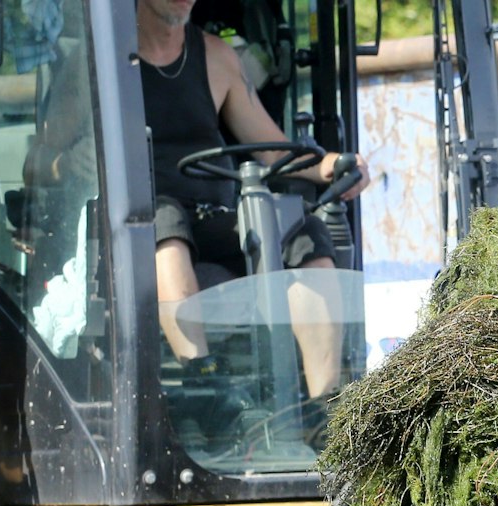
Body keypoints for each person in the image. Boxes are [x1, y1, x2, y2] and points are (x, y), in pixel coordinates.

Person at [136, 0, 369, 399]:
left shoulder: (214, 56)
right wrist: (71, 159)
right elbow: (47, 164)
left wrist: (331, 164)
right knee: (165, 219)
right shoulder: (103, 61)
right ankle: (204, 381)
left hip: (213, 218)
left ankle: (326, 408)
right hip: (136, 225)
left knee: (303, 229)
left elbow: (275, 152)